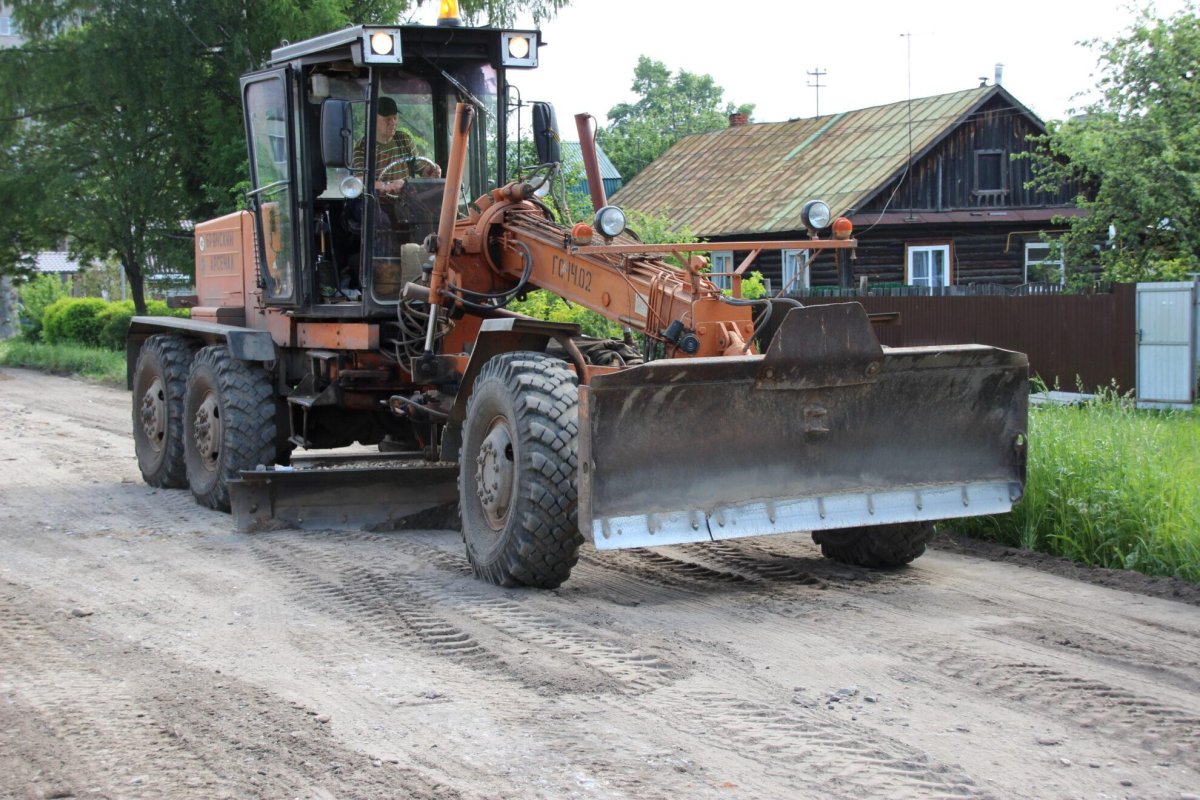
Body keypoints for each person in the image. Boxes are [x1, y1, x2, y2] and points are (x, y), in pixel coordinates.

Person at [354, 96, 441, 195]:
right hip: (377, 203)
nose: (393, 123)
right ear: (373, 119)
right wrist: (387, 186)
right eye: (388, 119)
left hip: (407, 201)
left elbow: (420, 168)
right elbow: (360, 181)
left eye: (395, 118)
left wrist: (431, 171)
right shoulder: (362, 147)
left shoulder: (404, 139)